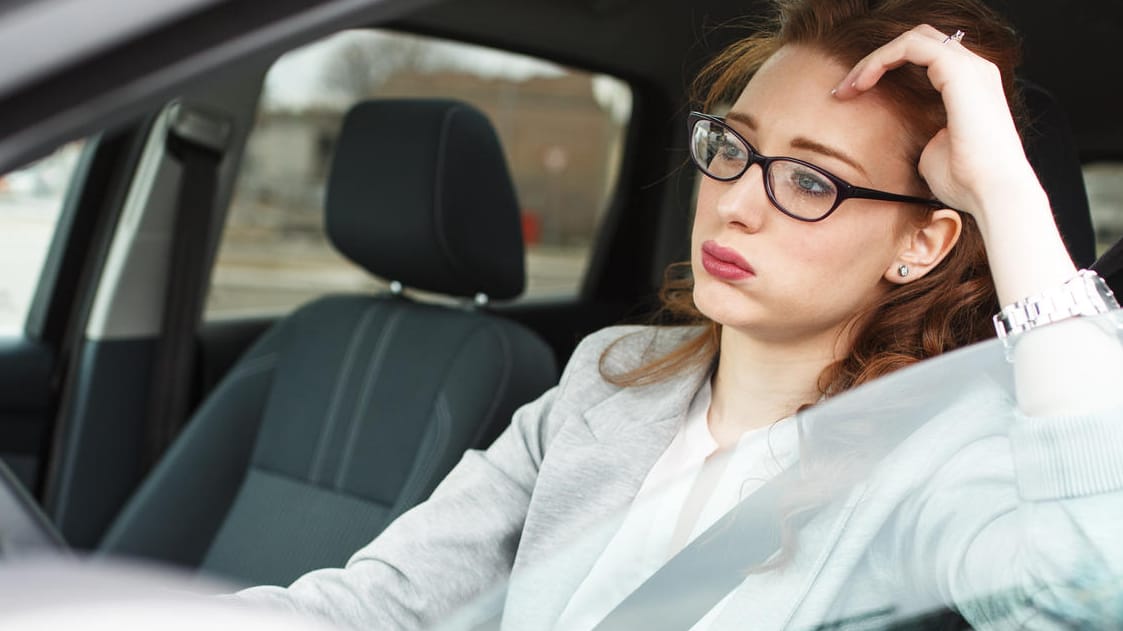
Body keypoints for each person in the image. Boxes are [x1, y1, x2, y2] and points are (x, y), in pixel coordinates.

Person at [236, 0, 1123, 628]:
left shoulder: (946, 457)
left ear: (922, 243)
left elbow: (1091, 591)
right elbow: (383, 605)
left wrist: (1004, 192)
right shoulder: (609, 375)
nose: (737, 202)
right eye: (732, 147)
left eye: (809, 179)